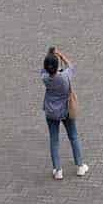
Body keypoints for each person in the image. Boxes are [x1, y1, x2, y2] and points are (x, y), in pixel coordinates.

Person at [39, 46, 89, 179]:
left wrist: (49, 55)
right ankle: (80, 166)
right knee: (73, 136)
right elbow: (71, 66)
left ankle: (58, 170)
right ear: (57, 67)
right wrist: (61, 55)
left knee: (54, 140)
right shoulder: (65, 77)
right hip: (66, 110)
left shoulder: (45, 78)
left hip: (51, 112)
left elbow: (43, 69)